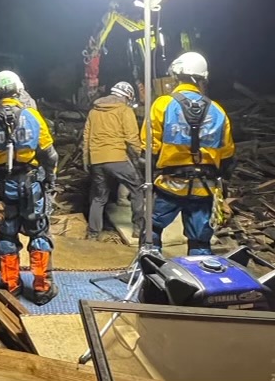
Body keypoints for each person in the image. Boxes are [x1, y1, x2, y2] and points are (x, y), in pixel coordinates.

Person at [0, 70, 59, 305]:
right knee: (39, 234)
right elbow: (50, 155)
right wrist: (51, 179)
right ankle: (42, 288)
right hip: (31, 186)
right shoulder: (32, 115)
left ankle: (11, 285)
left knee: (6, 236)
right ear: (18, 89)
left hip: (4, 187)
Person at [142, 52, 235, 256]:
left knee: (152, 230)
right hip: (204, 188)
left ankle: (148, 273)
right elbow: (227, 156)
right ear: (202, 79)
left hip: (169, 185)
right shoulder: (218, 111)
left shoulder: (162, 105)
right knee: (200, 242)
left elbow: (149, 149)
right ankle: (199, 280)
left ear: (176, 76)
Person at [82, 82, 144, 240]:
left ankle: (93, 233)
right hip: (117, 157)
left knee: (99, 197)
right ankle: (138, 228)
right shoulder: (125, 110)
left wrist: (86, 161)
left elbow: (86, 139)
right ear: (127, 96)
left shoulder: (93, 112)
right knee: (137, 188)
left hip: (96, 159)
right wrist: (138, 156)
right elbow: (131, 137)